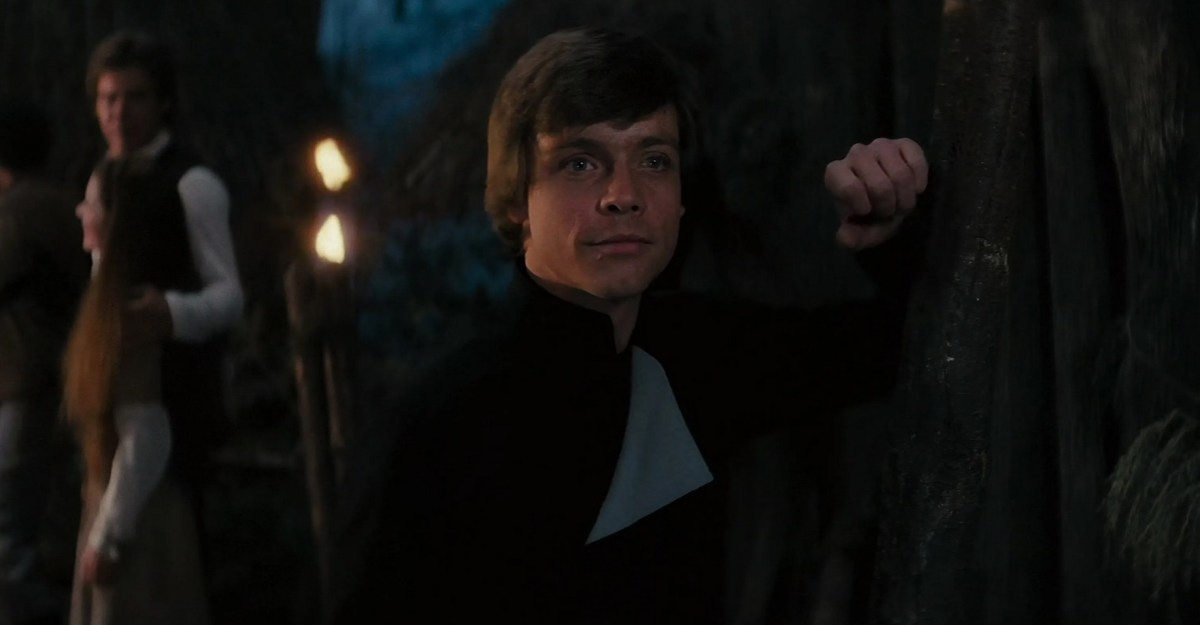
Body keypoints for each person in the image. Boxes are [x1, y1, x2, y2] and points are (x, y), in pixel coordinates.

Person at [332, 26, 927, 624]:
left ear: (681, 196)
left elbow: (899, 345)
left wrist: (886, 229)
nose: (624, 194)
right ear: (517, 199)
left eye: (653, 160)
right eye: (580, 163)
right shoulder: (441, 428)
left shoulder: (705, 355)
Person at [65, 28, 243, 623]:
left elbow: (228, 296)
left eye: (135, 97)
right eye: (108, 98)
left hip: (171, 401)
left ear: (162, 101)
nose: (119, 113)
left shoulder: (192, 183)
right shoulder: (104, 177)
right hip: (117, 405)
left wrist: (170, 313)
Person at [64, 158, 211, 625]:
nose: (81, 211)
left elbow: (145, 432)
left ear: (116, 220)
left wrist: (109, 537)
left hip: (139, 514)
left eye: (92, 203)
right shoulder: (110, 300)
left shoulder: (132, 312)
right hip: (113, 500)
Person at [0, 100, 89, 624]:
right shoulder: (61, 205)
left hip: (22, 383)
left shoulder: (17, 212)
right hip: (53, 378)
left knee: (9, 537)